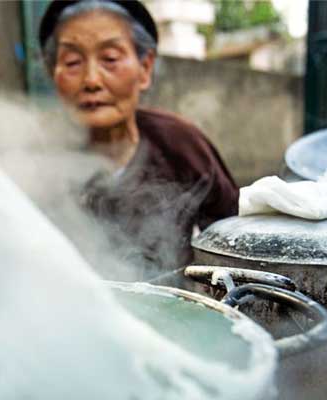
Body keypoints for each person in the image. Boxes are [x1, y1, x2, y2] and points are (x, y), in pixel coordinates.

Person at [39, 0, 239, 275]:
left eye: (110, 58)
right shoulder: (33, 157)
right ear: (53, 74)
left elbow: (235, 237)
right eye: (73, 62)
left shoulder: (181, 144)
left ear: (144, 68)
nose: (92, 80)